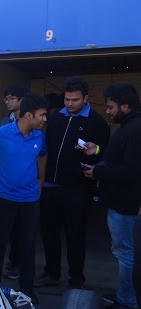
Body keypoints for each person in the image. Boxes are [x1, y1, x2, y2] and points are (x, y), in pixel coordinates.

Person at [36, 77, 109, 290]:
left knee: (75, 236)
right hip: (50, 187)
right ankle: (52, 273)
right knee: (49, 233)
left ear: (86, 98)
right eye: (67, 99)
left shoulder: (96, 121)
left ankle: (76, 279)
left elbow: (107, 153)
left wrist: (96, 151)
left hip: (77, 189)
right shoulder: (56, 118)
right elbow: (45, 148)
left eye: (75, 100)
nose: (70, 103)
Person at [0, 93, 49, 304]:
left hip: (30, 200)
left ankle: (27, 288)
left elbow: (43, 155)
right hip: (4, 198)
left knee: (28, 244)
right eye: (42, 115)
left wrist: (41, 180)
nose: (45, 120)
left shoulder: (39, 137)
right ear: (29, 115)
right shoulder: (2, 133)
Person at [82, 84, 141, 309]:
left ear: (125, 106)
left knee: (125, 252)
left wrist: (97, 172)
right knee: (123, 251)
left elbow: (132, 171)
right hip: (120, 202)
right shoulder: (129, 127)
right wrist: (98, 151)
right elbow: (119, 158)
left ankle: (129, 302)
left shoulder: (135, 130)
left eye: (110, 107)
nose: (107, 111)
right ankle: (125, 293)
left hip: (126, 204)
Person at [0, 85, 30, 281]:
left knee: (22, 228)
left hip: (25, 183)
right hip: (5, 182)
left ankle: (19, 263)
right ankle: (9, 263)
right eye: (6, 98)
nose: (7, 102)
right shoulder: (4, 122)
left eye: (11, 98)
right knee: (6, 228)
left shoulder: (31, 121)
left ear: (21, 99)